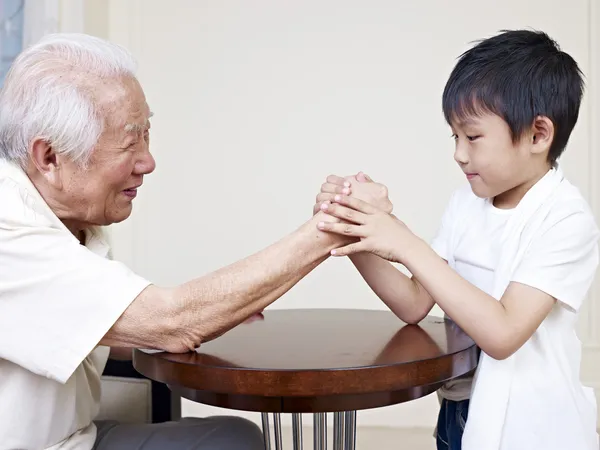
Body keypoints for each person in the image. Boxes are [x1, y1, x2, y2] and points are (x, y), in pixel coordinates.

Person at [0, 33, 349, 450]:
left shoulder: (72, 218)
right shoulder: (9, 229)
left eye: (147, 136)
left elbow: (94, 328)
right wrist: (331, 227)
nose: (148, 162)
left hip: (76, 438)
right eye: (131, 142)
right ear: (50, 157)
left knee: (233, 437)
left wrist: (217, 316)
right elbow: (170, 320)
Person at [315, 30, 599, 450]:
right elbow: (415, 302)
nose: (459, 154)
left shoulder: (565, 218)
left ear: (539, 135)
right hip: (461, 413)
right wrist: (358, 228)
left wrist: (403, 241)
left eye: (473, 136)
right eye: (455, 136)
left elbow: (502, 333)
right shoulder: (468, 202)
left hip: (534, 429)